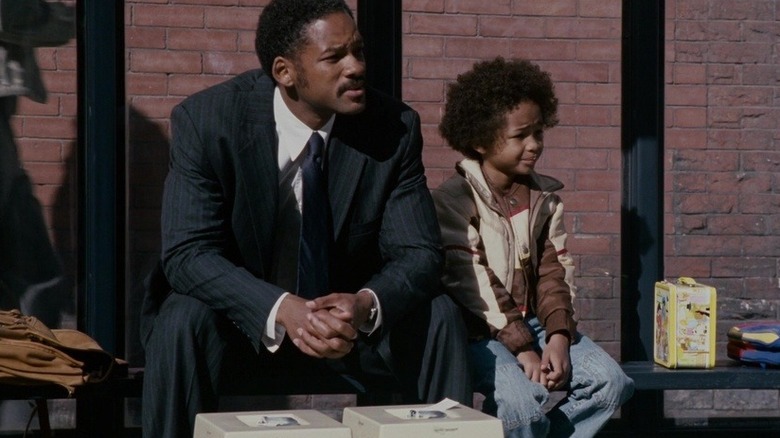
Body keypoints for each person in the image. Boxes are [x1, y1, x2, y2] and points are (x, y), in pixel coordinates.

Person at [139, 1, 471, 436]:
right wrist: (280, 310)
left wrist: (364, 304)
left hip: (348, 330)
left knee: (438, 315)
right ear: (285, 72)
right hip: (244, 325)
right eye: (334, 57)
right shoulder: (209, 122)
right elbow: (187, 253)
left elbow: (420, 255)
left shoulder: (393, 128)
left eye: (359, 51)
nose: (356, 67)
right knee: (182, 318)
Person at [432, 57, 634, 437]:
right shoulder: (453, 200)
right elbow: (470, 282)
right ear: (479, 139)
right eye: (520, 135)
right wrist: (524, 348)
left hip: (537, 325)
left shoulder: (545, 198)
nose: (534, 145)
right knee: (522, 404)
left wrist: (558, 336)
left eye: (539, 133)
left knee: (611, 384)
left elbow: (555, 272)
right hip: (480, 333)